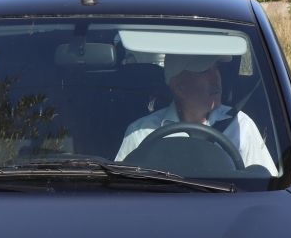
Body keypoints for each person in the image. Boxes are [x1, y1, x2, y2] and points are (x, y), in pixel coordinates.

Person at [115, 54, 278, 175]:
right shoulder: (141, 132)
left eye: (216, 68)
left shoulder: (241, 125)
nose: (216, 78)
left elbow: (266, 183)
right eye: (205, 71)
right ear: (180, 87)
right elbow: (122, 187)